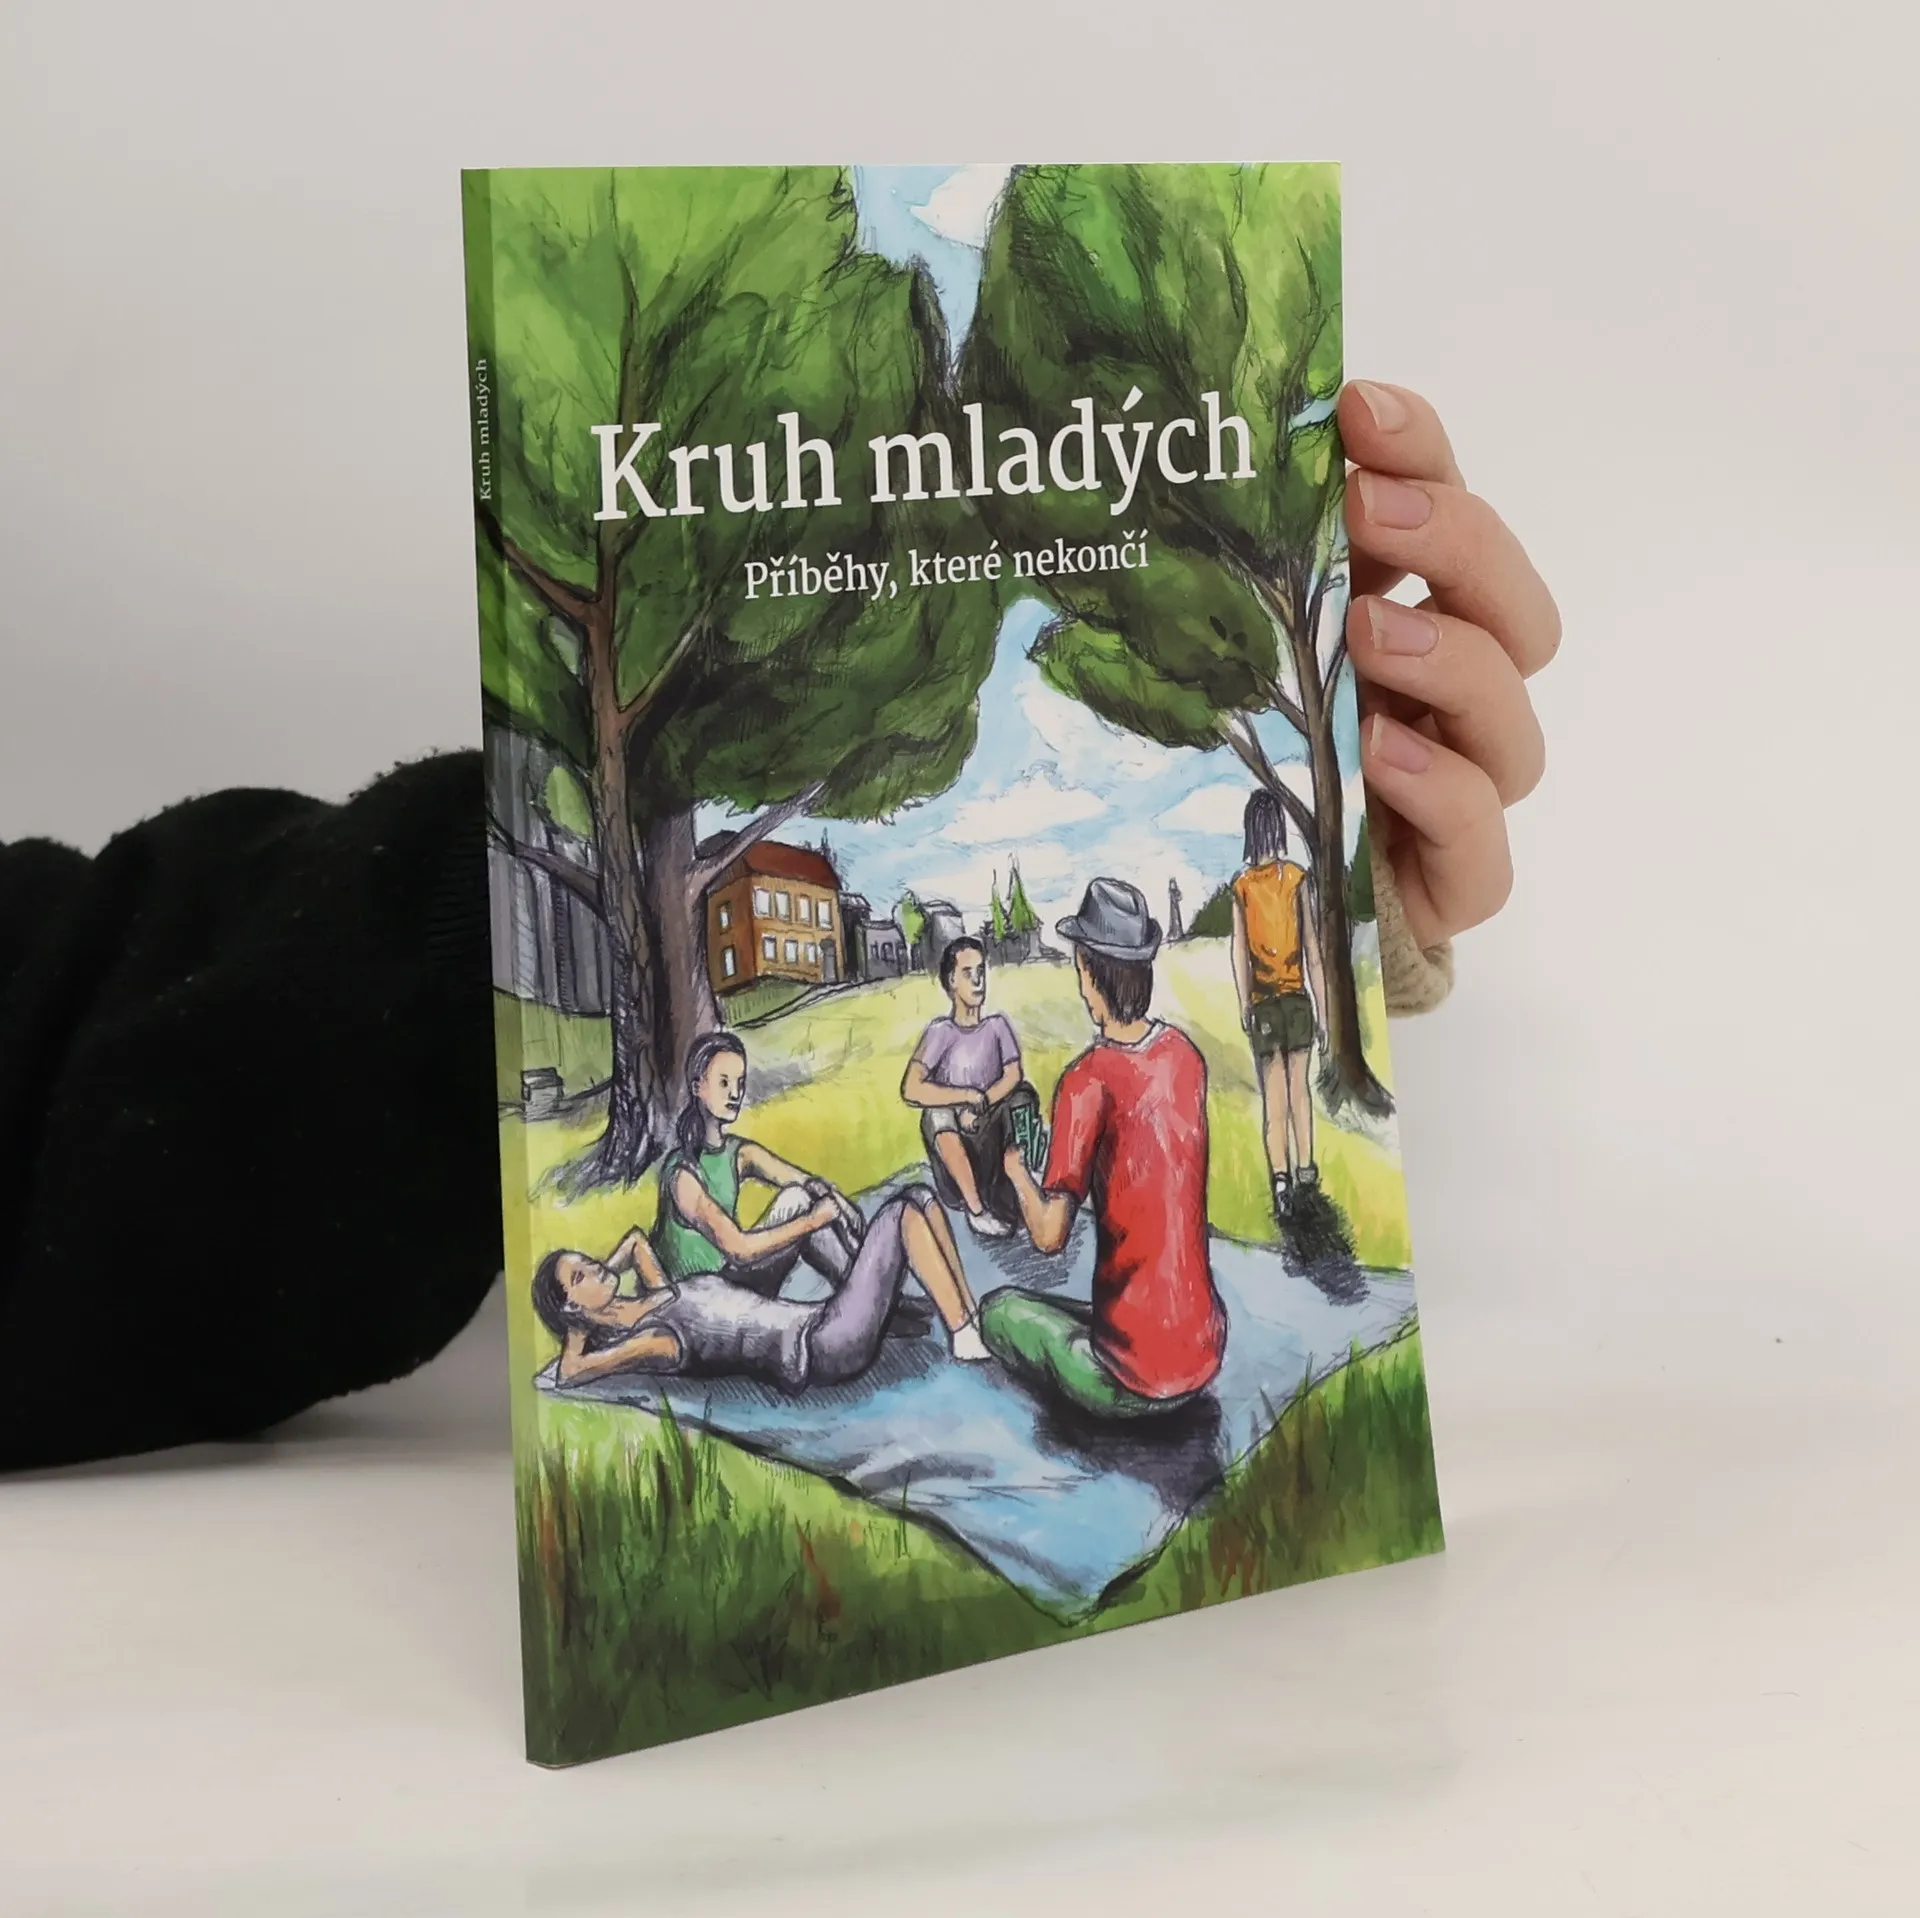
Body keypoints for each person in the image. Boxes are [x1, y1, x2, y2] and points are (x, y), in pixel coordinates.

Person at [0, 379, 1554, 1470]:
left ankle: (984, 1325)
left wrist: (1346, 896)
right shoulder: (1139, 1071)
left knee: (1000, 1260)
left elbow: (1037, 1220)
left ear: (1081, 967)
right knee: (944, 1168)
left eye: (983, 961)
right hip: (1108, 1314)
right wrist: (962, 1122)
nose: (970, 972)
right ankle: (999, 1300)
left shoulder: (1048, 1074)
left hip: (1049, 1311)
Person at [564, 1027, 993, 1387]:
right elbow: (738, 1249)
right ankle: (954, 1330)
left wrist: (830, 1198)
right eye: (723, 1083)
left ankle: (959, 1313)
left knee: (830, 1197)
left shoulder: (736, 1153)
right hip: (732, 1286)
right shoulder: (682, 1176)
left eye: (739, 1082)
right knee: (869, 1213)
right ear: (697, 1087)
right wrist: (817, 1219)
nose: (735, 1093)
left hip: (736, 1295)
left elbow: (638, 1242)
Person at [983, 879, 1227, 1420]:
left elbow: (1049, 1236)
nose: (1079, 987)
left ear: (1093, 975)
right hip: (1204, 1352)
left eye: (1080, 971)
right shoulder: (1185, 1057)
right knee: (1082, 1310)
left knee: (999, 1312)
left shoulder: (1085, 1080)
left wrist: (1017, 1173)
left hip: (1131, 1381)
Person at [900, 937, 1044, 1238]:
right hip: (957, 1165)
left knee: (1023, 1095)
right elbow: (911, 1088)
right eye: (968, 973)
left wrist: (980, 1104)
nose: (978, 980)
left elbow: (1013, 1074)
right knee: (935, 1115)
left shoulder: (997, 1026)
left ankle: (1028, 1181)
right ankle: (977, 1212)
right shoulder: (940, 1032)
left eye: (981, 971)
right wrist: (963, 1099)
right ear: (951, 981)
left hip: (993, 1145)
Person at [1230, 790, 1330, 1221]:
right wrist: (1324, 1013)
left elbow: (1239, 951)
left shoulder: (1241, 887)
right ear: (1278, 829)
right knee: (1299, 1093)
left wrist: (1243, 1003)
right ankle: (1307, 1173)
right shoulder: (1296, 879)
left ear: (1250, 832)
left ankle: (1281, 1181)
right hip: (1297, 1001)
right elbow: (1312, 951)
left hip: (1264, 1005)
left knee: (1274, 1100)